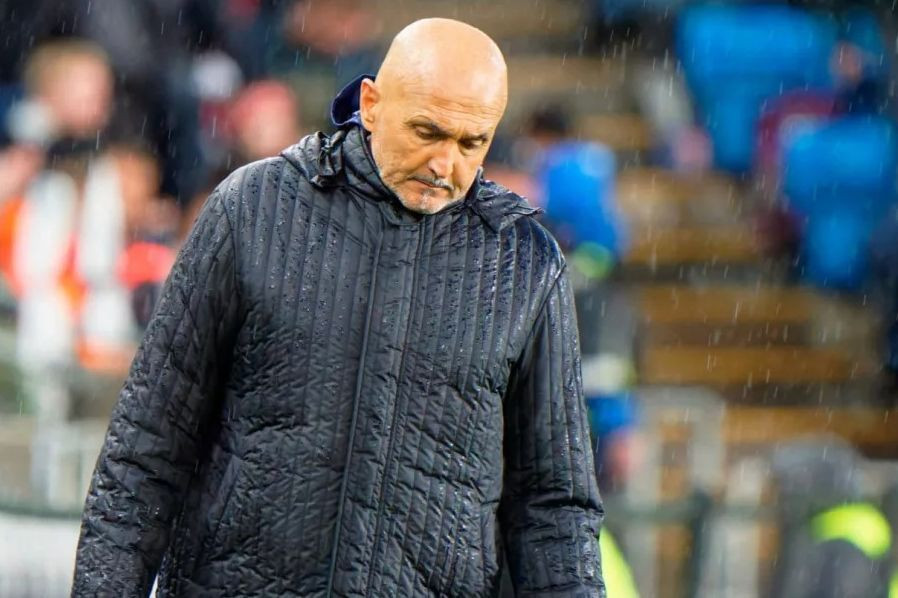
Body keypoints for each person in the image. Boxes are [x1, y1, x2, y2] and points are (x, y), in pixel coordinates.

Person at [72, 18, 605, 597]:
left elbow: (554, 506)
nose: (444, 163)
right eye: (427, 131)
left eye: (471, 143)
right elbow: (147, 446)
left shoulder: (525, 265)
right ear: (370, 104)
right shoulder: (251, 211)